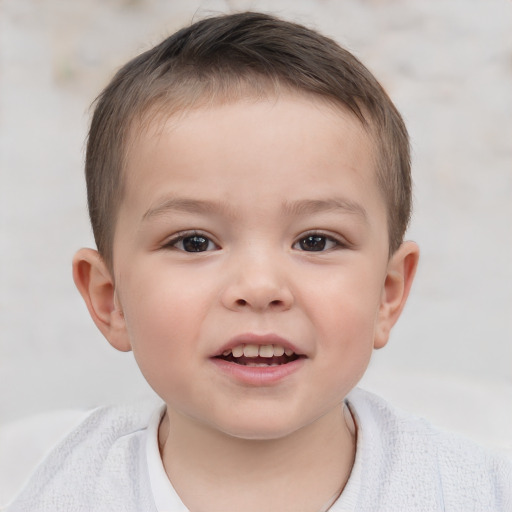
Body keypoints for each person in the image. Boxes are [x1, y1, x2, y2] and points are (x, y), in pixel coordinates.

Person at [7, 11, 511, 512]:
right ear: (109, 298)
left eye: (315, 241)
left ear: (388, 292)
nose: (260, 285)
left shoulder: (474, 493)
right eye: (194, 242)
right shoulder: (51, 492)